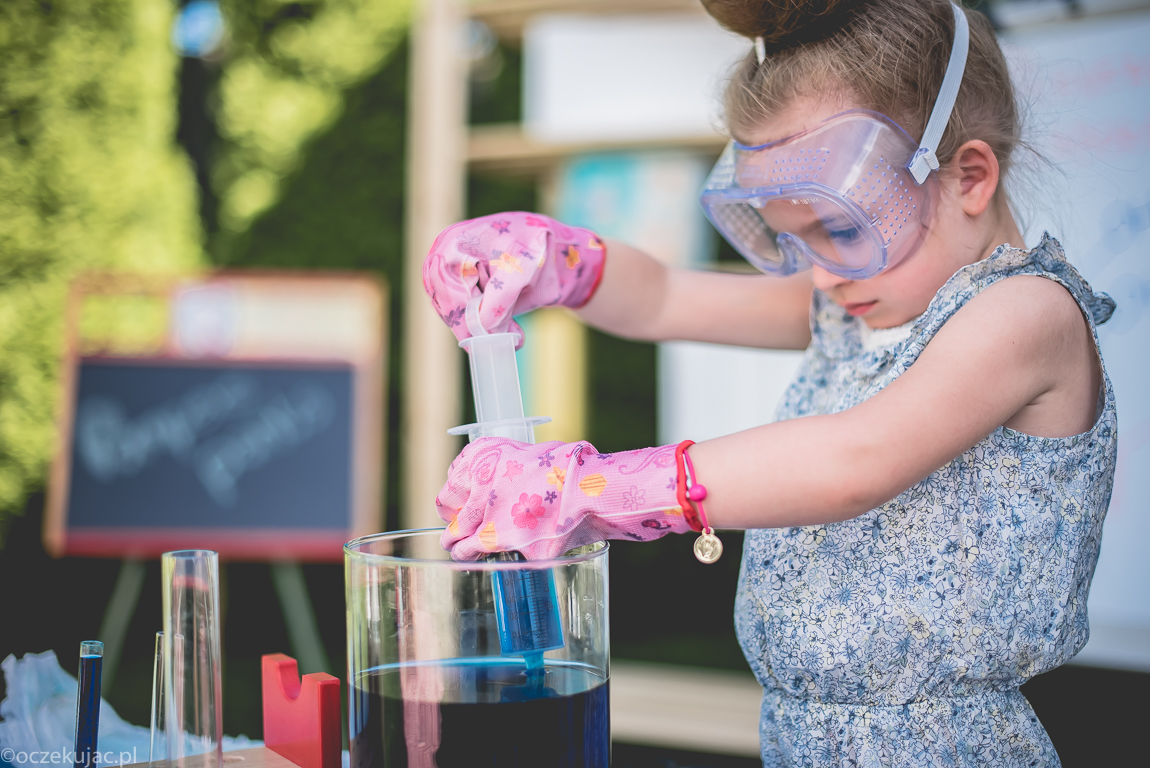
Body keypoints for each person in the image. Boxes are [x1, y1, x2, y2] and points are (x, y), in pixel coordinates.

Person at [422, 0, 1117, 764]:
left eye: (843, 227)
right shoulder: (857, 301)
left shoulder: (1024, 312)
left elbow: (855, 462)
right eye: (792, 238)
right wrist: (560, 260)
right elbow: (663, 297)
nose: (821, 271)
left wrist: (599, 491)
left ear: (970, 176)